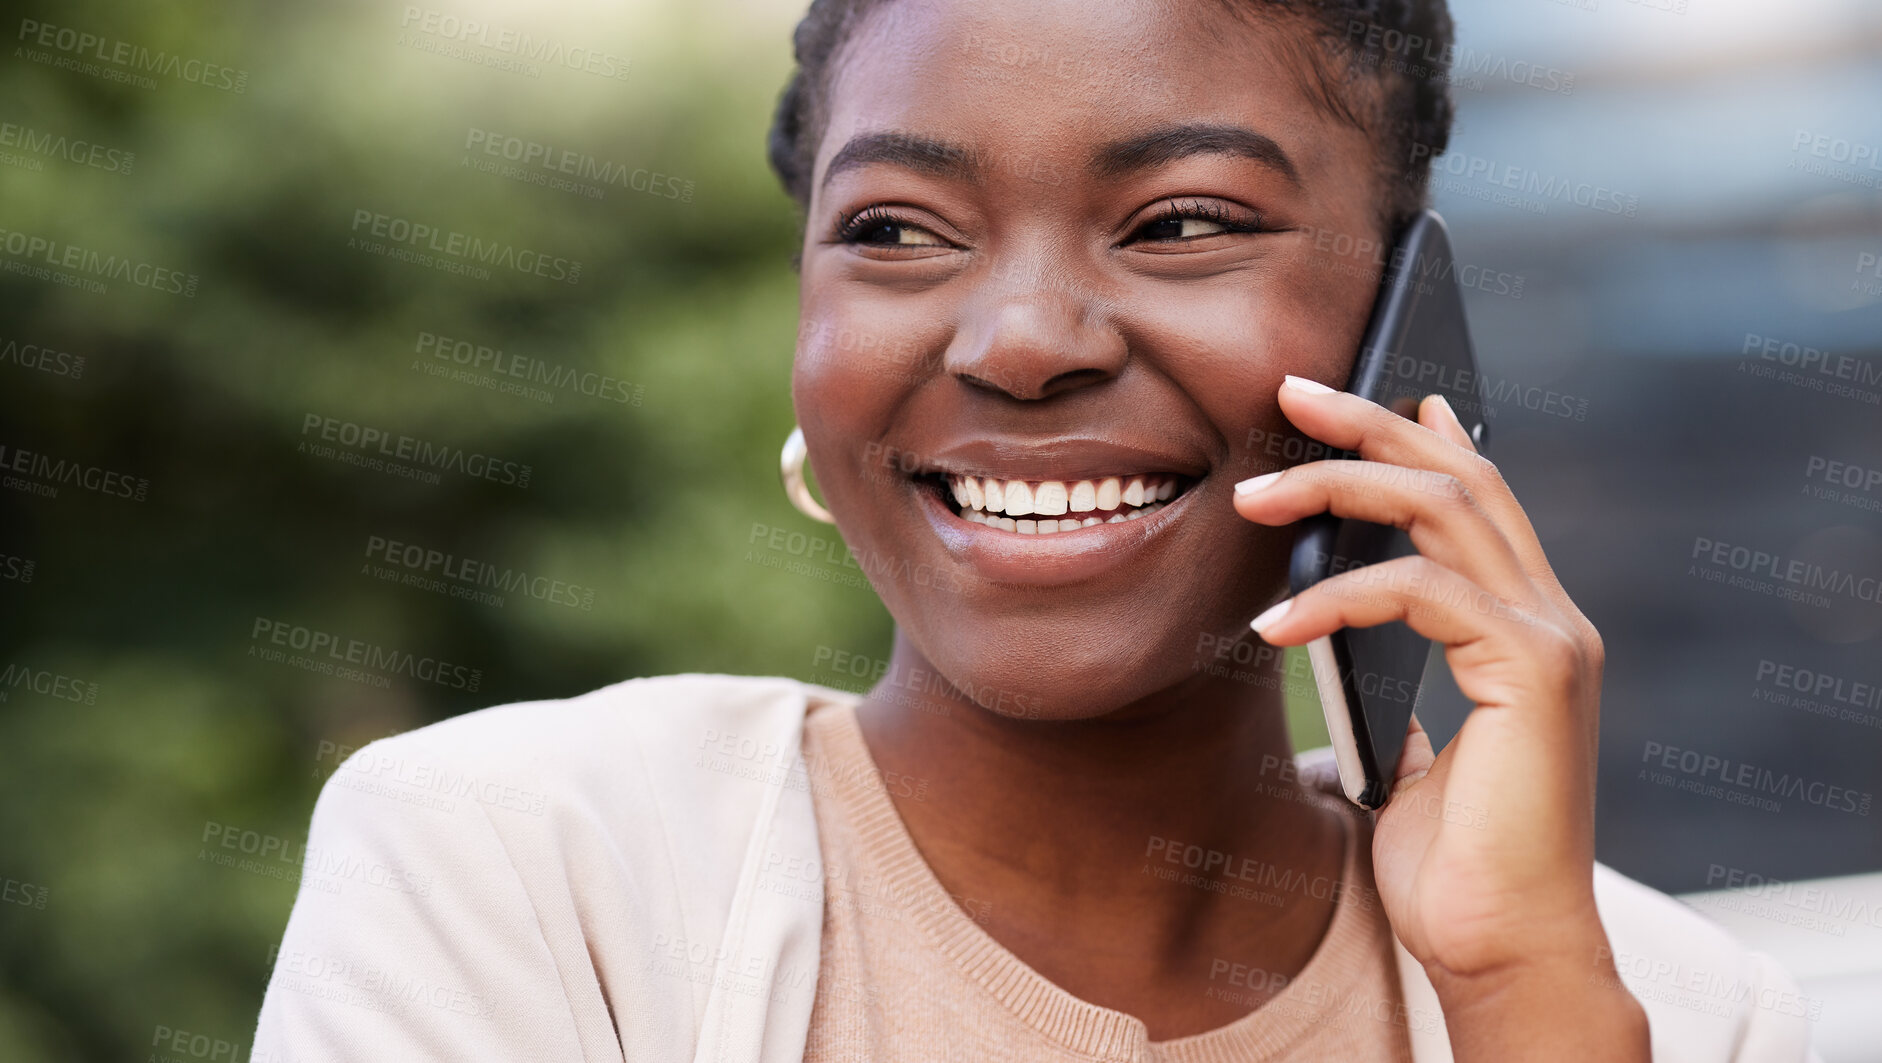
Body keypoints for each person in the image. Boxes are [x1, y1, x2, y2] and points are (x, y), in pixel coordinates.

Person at [252, 1, 1819, 1059]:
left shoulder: (1676, 1008)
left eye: (1183, 222)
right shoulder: (533, 865)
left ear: (1407, 327)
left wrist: (1521, 996)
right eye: (893, 232)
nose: (1018, 340)